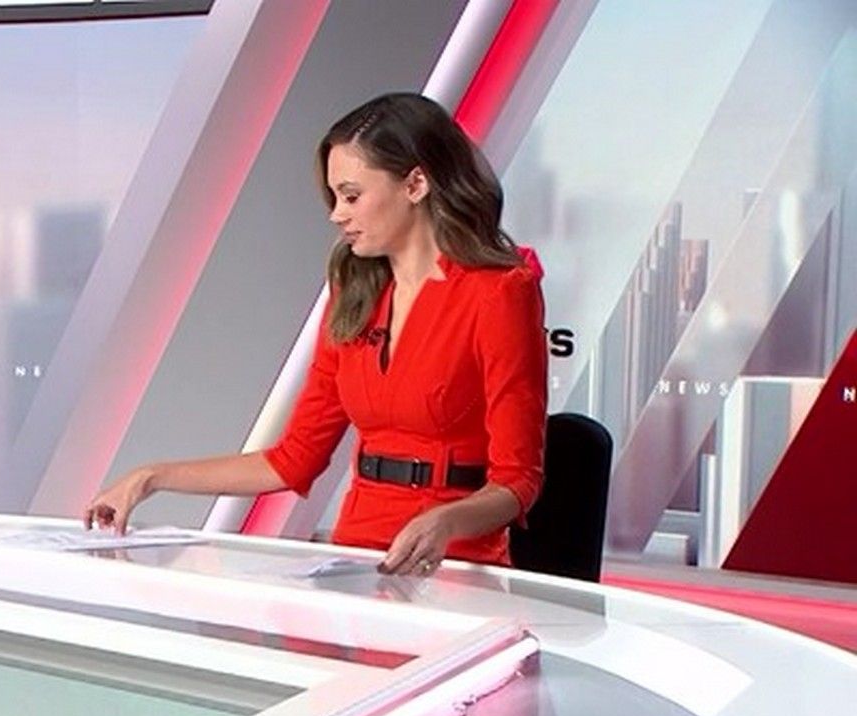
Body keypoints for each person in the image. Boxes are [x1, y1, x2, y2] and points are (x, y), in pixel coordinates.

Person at [83, 92, 547, 575]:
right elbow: (293, 460)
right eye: (335, 198)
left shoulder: (499, 293)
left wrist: (446, 522)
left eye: (352, 196)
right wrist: (151, 477)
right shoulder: (354, 291)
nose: (336, 214)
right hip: (358, 555)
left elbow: (518, 480)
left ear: (414, 184)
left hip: (456, 563)